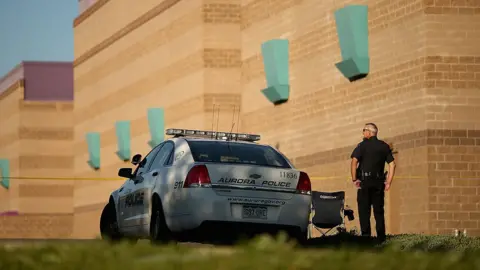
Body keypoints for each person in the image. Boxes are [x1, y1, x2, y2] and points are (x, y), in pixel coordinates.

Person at [350, 123, 396, 241]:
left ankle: (366, 237)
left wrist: (355, 179)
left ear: (369, 133)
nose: (363, 133)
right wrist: (389, 182)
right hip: (378, 183)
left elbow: (354, 162)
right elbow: (392, 164)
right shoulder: (384, 146)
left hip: (364, 182)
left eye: (364, 130)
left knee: (364, 211)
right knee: (379, 211)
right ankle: (381, 237)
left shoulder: (361, 146)